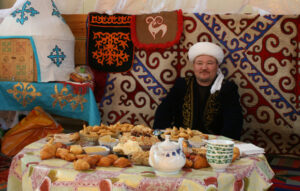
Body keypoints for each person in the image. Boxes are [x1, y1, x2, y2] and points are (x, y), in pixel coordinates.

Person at [153, 42, 243, 140]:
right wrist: (161, 138)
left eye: (209, 63)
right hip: (182, 143)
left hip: (213, 146)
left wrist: (221, 146)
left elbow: (234, 123)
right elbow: (162, 114)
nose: (204, 67)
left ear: (217, 66)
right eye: (199, 63)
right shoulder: (182, 85)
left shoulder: (227, 88)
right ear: (194, 66)